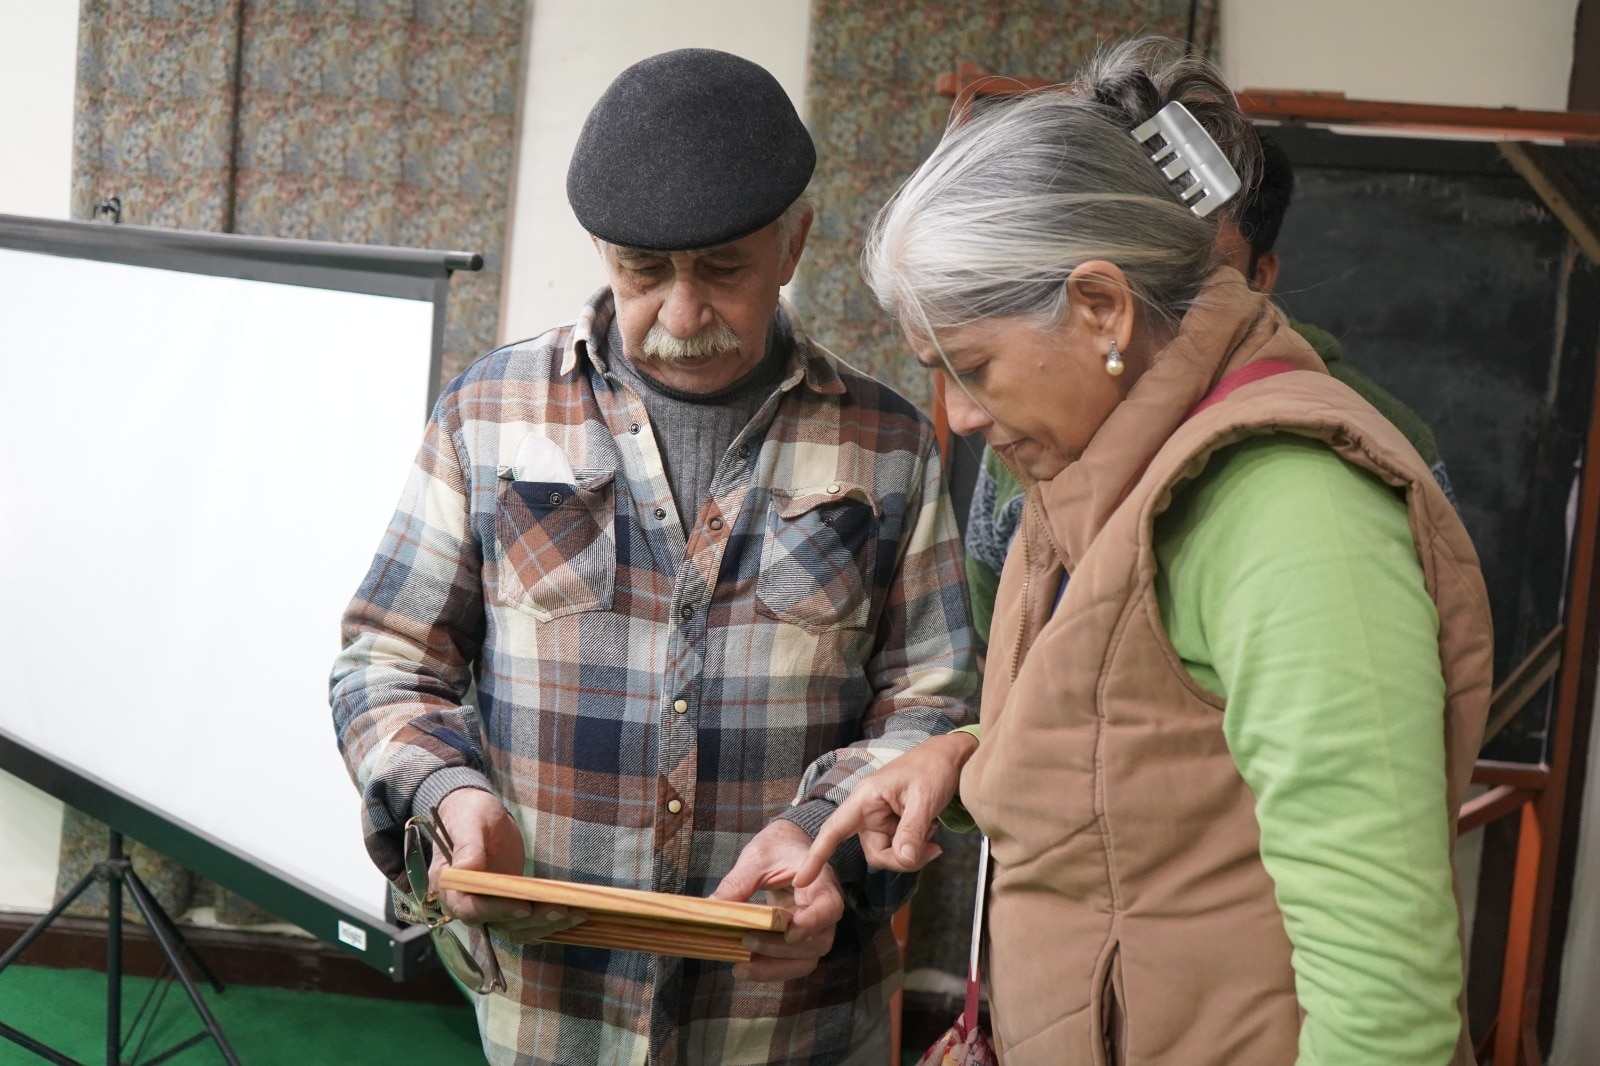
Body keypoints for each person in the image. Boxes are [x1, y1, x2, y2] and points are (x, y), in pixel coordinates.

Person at [796, 38, 1491, 1066]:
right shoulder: (1096, 459)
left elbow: (1385, 993)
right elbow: (1157, 740)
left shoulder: (1294, 514)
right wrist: (962, 752)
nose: (957, 414)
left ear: (1101, 308)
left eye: (972, 365)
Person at [329, 48, 976, 1066]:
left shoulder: (889, 446)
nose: (681, 315)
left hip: (789, 1023)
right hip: (553, 1013)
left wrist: (825, 841)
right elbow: (386, 661)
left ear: (794, 242)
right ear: (601, 249)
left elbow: (931, 701)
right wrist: (449, 792)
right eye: (643, 272)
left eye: (722, 270)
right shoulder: (488, 415)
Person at [963, 127, 1457, 645]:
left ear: (1261, 276)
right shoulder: (1032, 425)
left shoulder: (1370, 440)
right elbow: (992, 626)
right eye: (1152, 261)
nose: (1164, 289)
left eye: (1202, 267)